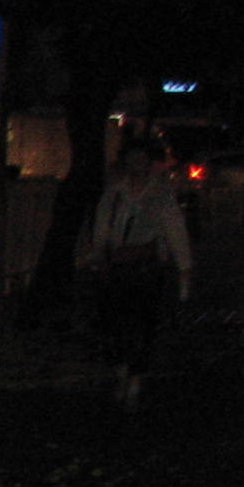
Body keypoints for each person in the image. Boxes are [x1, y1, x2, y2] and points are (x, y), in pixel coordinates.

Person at [81, 145, 193, 411]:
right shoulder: (114, 194)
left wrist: (184, 270)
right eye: (132, 160)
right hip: (116, 267)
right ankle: (122, 370)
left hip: (146, 267)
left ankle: (136, 375)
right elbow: (101, 230)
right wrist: (97, 257)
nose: (138, 165)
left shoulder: (160, 196)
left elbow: (175, 231)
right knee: (112, 322)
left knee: (144, 323)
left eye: (143, 160)